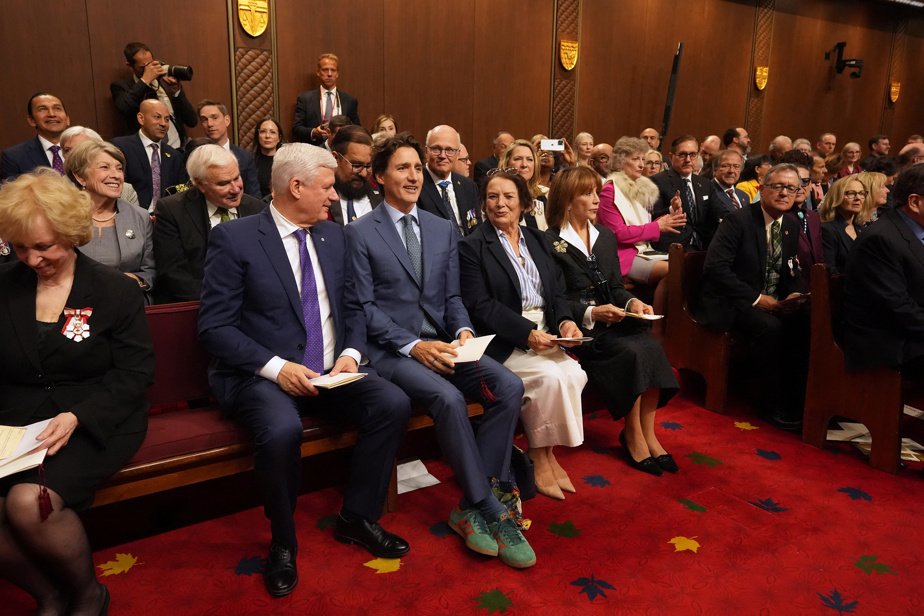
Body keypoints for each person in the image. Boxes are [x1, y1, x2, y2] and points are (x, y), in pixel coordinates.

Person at [198, 143, 411, 598]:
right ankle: (282, 541)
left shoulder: (334, 236)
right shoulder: (236, 239)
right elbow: (214, 328)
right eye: (327, 186)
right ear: (296, 187)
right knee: (280, 431)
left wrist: (352, 352)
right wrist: (276, 368)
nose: (334, 196)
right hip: (263, 374)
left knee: (392, 402)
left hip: (333, 369)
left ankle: (356, 517)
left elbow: (352, 307)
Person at [344, 133, 535, 569]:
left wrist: (464, 330)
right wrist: (413, 345)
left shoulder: (441, 227)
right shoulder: (358, 233)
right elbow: (364, 309)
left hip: (447, 345)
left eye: (417, 167)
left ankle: (470, 506)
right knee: (448, 399)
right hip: (393, 351)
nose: (413, 176)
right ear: (379, 177)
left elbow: (452, 299)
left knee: (508, 385)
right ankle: (489, 507)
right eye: (402, 168)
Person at [0, 169, 154, 615]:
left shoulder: (112, 291)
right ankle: (46, 594)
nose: (31, 259)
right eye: (22, 247)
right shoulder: (4, 286)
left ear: (71, 234)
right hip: (16, 422)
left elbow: (135, 373)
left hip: (96, 419)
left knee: (28, 501)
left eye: (44, 246)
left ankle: (88, 594)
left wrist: (79, 415)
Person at [459, 171, 588, 500]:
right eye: (492, 197)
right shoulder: (473, 245)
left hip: (547, 331)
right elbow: (481, 305)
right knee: (548, 377)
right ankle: (537, 455)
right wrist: (527, 334)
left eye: (508, 197)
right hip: (505, 338)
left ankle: (548, 454)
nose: (499, 204)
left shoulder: (538, 239)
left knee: (573, 372)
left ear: (525, 204)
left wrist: (565, 324)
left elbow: (557, 292)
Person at [546, 166, 679, 476]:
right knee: (631, 353)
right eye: (588, 194)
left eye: (597, 192)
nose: (597, 199)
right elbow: (557, 298)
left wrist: (633, 302)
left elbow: (616, 287)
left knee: (651, 347)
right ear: (567, 200)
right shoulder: (550, 242)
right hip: (584, 329)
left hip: (617, 320)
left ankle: (649, 433)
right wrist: (593, 313)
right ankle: (633, 434)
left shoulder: (604, 236)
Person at [697, 164, 809, 431]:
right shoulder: (738, 221)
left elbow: (793, 269)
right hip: (731, 301)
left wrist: (794, 291)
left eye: (791, 188)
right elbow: (715, 269)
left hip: (772, 301)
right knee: (770, 327)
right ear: (762, 189)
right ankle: (767, 402)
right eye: (778, 186)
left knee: (808, 319)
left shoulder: (791, 224)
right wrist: (757, 299)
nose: (784, 193)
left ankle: (799, 399)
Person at [152, 144, 265, 303]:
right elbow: (173, 273)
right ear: (200, 184)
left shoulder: (257, 209)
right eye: (223, 183)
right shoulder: (172, 211)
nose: (235, 189)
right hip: (199, 305)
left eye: (237, 178)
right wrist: (220, 300)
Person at [842, 163, 924, 372]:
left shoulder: (914, 228)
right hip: (891, 342)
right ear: (915, 202)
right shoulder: (880, 240)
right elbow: (899, 309)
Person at [597, 137, 685, 317]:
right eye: (635, 159)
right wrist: (658, 226)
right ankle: (659, 324)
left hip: (644, 252)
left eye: (642, 160)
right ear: (621, 160)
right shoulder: (609, 191)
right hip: (624, 256)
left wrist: (670, 213)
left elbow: (642, 224)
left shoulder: (636, 188)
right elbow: (618, 233)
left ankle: (668, 322)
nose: (641, 165)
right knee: (674, 271)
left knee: (684, 265)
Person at [64, 140, 155, 301]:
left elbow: (150, 270)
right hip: (76, 306)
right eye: (104, 167)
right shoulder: (62, 216)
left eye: (119, 168)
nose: (116, 175)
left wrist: (137, 280)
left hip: (128, 303)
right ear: (80, 177)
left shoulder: (139, 216)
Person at [110, 42, 197, 149]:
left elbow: (192, 121)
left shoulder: (165, 82)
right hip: (147, 151)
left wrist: (177, 92)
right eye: (143, 67)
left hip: (177, 149)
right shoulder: (122, 86)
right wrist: (145, 80)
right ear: (130, 66)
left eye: (151, 64)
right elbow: (124, 107)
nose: (149, 69)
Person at [112, 99, 189, 212]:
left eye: (167, 119)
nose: (163, 123)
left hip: (165, 220)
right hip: (132, 216)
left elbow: (181, 193)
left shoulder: (174, 155)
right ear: (141, 118)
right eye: (157, 117)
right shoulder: (121, 147)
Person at [650, 135, 712, 251]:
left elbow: (715, 214)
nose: (688, 160)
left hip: (703, 247)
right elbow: (652, 218)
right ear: (671, 156)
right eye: (682, 155)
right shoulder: (657, 181)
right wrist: (671, 209)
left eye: (693, 155)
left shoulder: (705, 183)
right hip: (673, 247)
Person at [418, 125, 481, 236]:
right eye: (436, 149)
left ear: (457, 154)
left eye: (449, 150)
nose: (443, 155)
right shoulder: (416, 183)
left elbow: (476, 230)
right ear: (426, 151)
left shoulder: (469, 187)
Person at [60, 126, 140, 207]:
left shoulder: (126, 190)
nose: (74, 155)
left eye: (82, 149)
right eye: (68, 150)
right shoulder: (56, 191)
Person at [292, 53, 361, 146]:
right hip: (314, 151)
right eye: (325, 70)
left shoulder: (349, 100)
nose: (329, 74)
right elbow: (297, 129)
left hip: (341, 149)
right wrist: (314, 131)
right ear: (318, 72)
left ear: (337, 74)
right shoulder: (305, 99)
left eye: (333, 70)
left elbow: (357, 129)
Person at [197, 99, 261, 197]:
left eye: (214, 118)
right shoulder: (197, 157)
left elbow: (254, 197)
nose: (209, 124)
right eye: (204, 120)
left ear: (227, 120)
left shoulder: (245, 158)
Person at [1, 93, 70, 181]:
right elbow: (12, 193)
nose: (52, 114)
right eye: (43, 109)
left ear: (67, 119)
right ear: (31, 120)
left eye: (57, 108)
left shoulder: (87, 149)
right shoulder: (14, 157)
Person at [329, 126, 381, 224]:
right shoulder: (319, 200)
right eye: (357, 165)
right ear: (335, 158)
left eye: (368, 166)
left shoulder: (382, 197)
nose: (364, 173)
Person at [819, 176, 868, 274]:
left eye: (861, 193)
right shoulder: (828, 230)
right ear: (837, 197)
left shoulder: (862, 229)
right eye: (851, 193)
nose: (858, 198)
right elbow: (830, 271)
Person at [499, 140, 548, 229]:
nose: (524, 164)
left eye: (529, 159)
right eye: (518, 159)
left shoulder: (544, 194)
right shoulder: (497, 196)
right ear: (507, 163)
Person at [251, 118, 284, 198]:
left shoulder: (286, 161)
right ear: (257, 136)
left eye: (272, 132)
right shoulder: (250, 161)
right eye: (263, 132)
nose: (267, 136)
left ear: (279, 138)